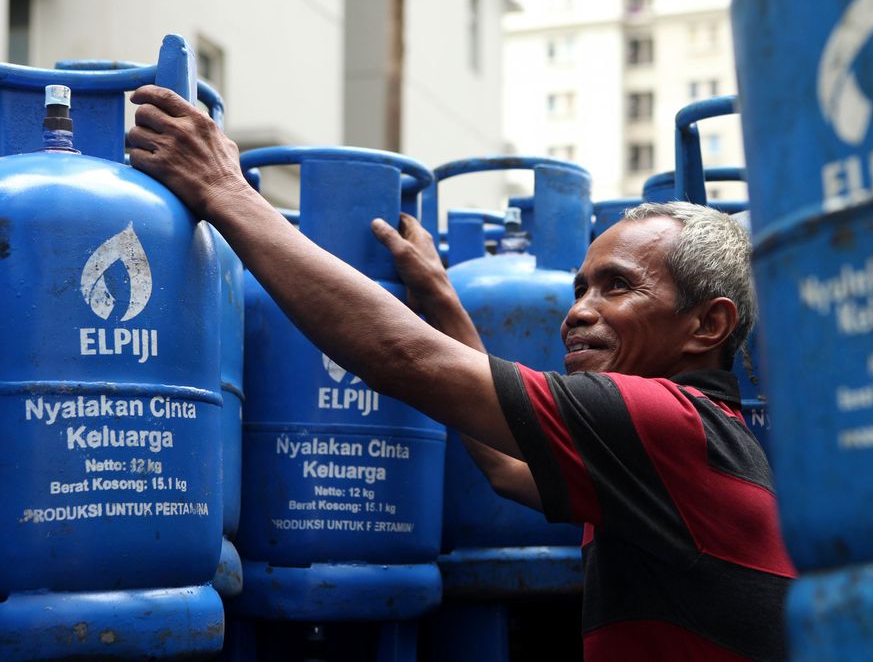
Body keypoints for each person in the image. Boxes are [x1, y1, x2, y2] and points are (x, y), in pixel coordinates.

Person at [127, 85, 796, 661]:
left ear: (707, 324)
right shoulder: (676, 453)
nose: (577, 313)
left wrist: (226, 193)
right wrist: (444, 302)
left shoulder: (671, 424)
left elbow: (403, 359)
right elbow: (508, 469)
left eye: (615, 287)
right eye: (579, 288)